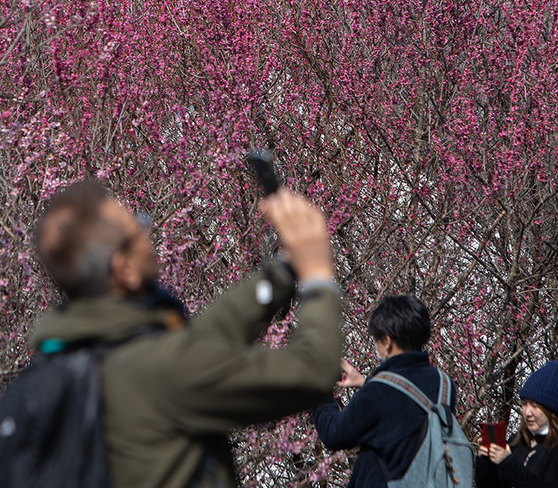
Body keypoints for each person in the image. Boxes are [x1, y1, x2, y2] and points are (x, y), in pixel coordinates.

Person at [25, 179, 342, 488]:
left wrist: (285, 270)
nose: (148, 234)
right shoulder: (159, 369)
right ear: (125, 269)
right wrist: (317, 277)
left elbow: (198, 342)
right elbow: (313, 370)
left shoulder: (75, 356)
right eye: (139, 227)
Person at [313, 294, 460, 487]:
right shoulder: (445, 385)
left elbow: (334, 434)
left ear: (388, 341)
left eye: (378, 339)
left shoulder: (378, 390)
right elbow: (404, 413)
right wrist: (365, 383)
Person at [475, 360, 558, 488]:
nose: (527, 412)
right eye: (524, 404)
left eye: (535, 406)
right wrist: (486, 461)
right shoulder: (518, 442)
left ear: (552, 410)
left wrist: (508, 464)